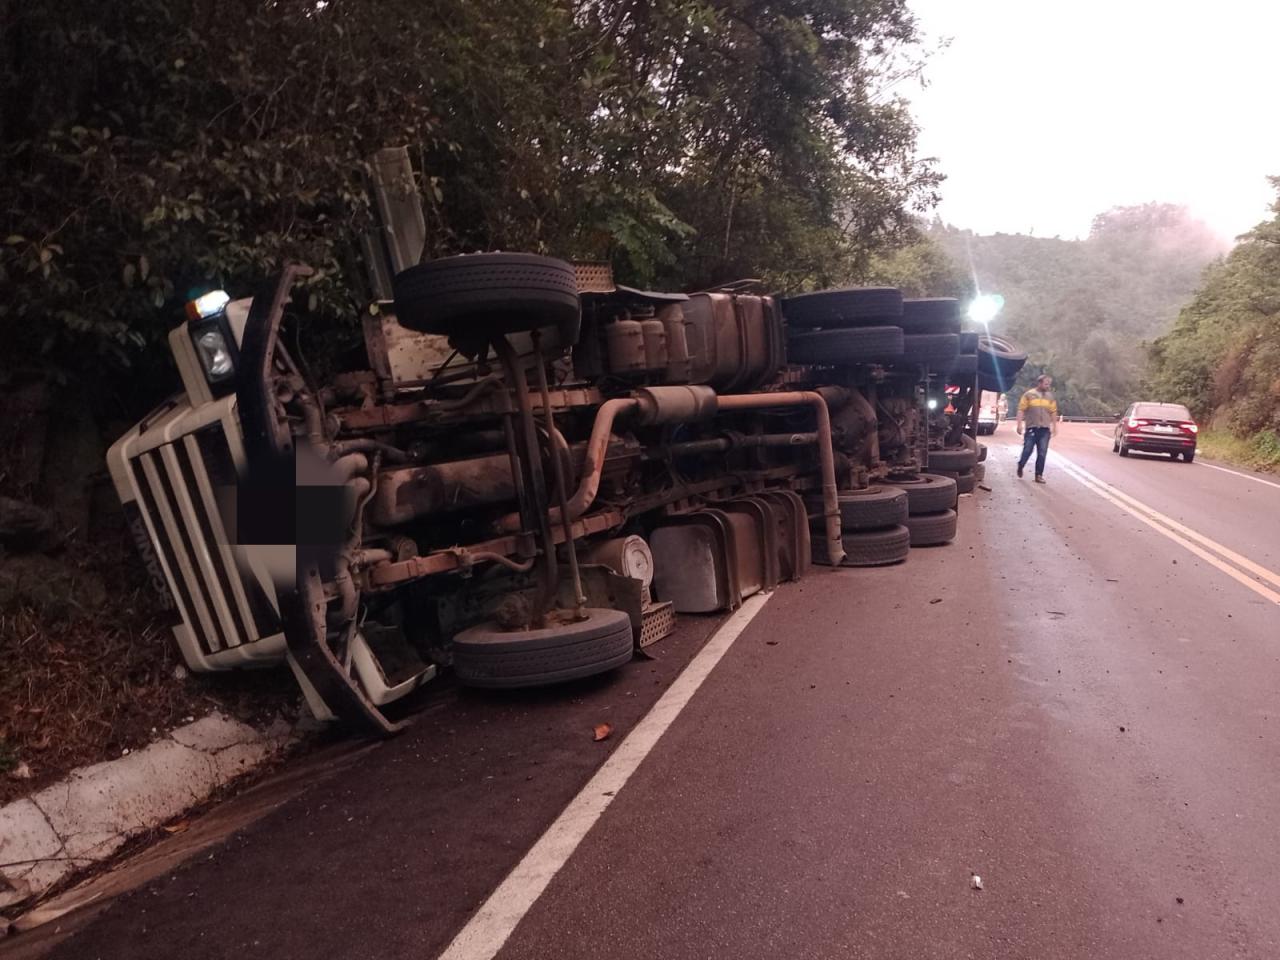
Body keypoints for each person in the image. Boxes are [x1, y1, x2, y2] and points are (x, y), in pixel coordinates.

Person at [1016, 374, 1059, 483]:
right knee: (1027, 450)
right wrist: (1019, 424)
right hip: (1032, 428)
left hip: (1044, 429)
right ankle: (1021, 465)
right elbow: (1021, 409)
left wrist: (1055, 426)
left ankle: (1038, 475)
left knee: (1042, 452)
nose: (1047, 386)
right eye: (1046, 384)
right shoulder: (1029, 395)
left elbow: (1053, 411)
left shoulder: (1050, 397)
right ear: (1039, 383)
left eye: (1049, 384)